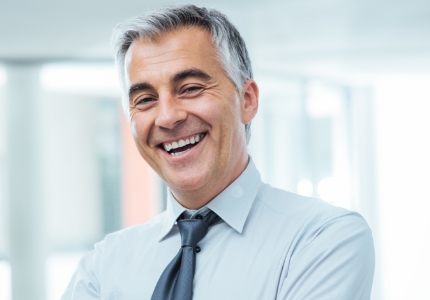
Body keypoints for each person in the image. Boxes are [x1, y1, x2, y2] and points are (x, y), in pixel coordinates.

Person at [62, 4, 375, 299]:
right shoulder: (103, 266)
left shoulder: (322, 238)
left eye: (191, 88)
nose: (168, 117)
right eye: (144, 99)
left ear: (247, 100)